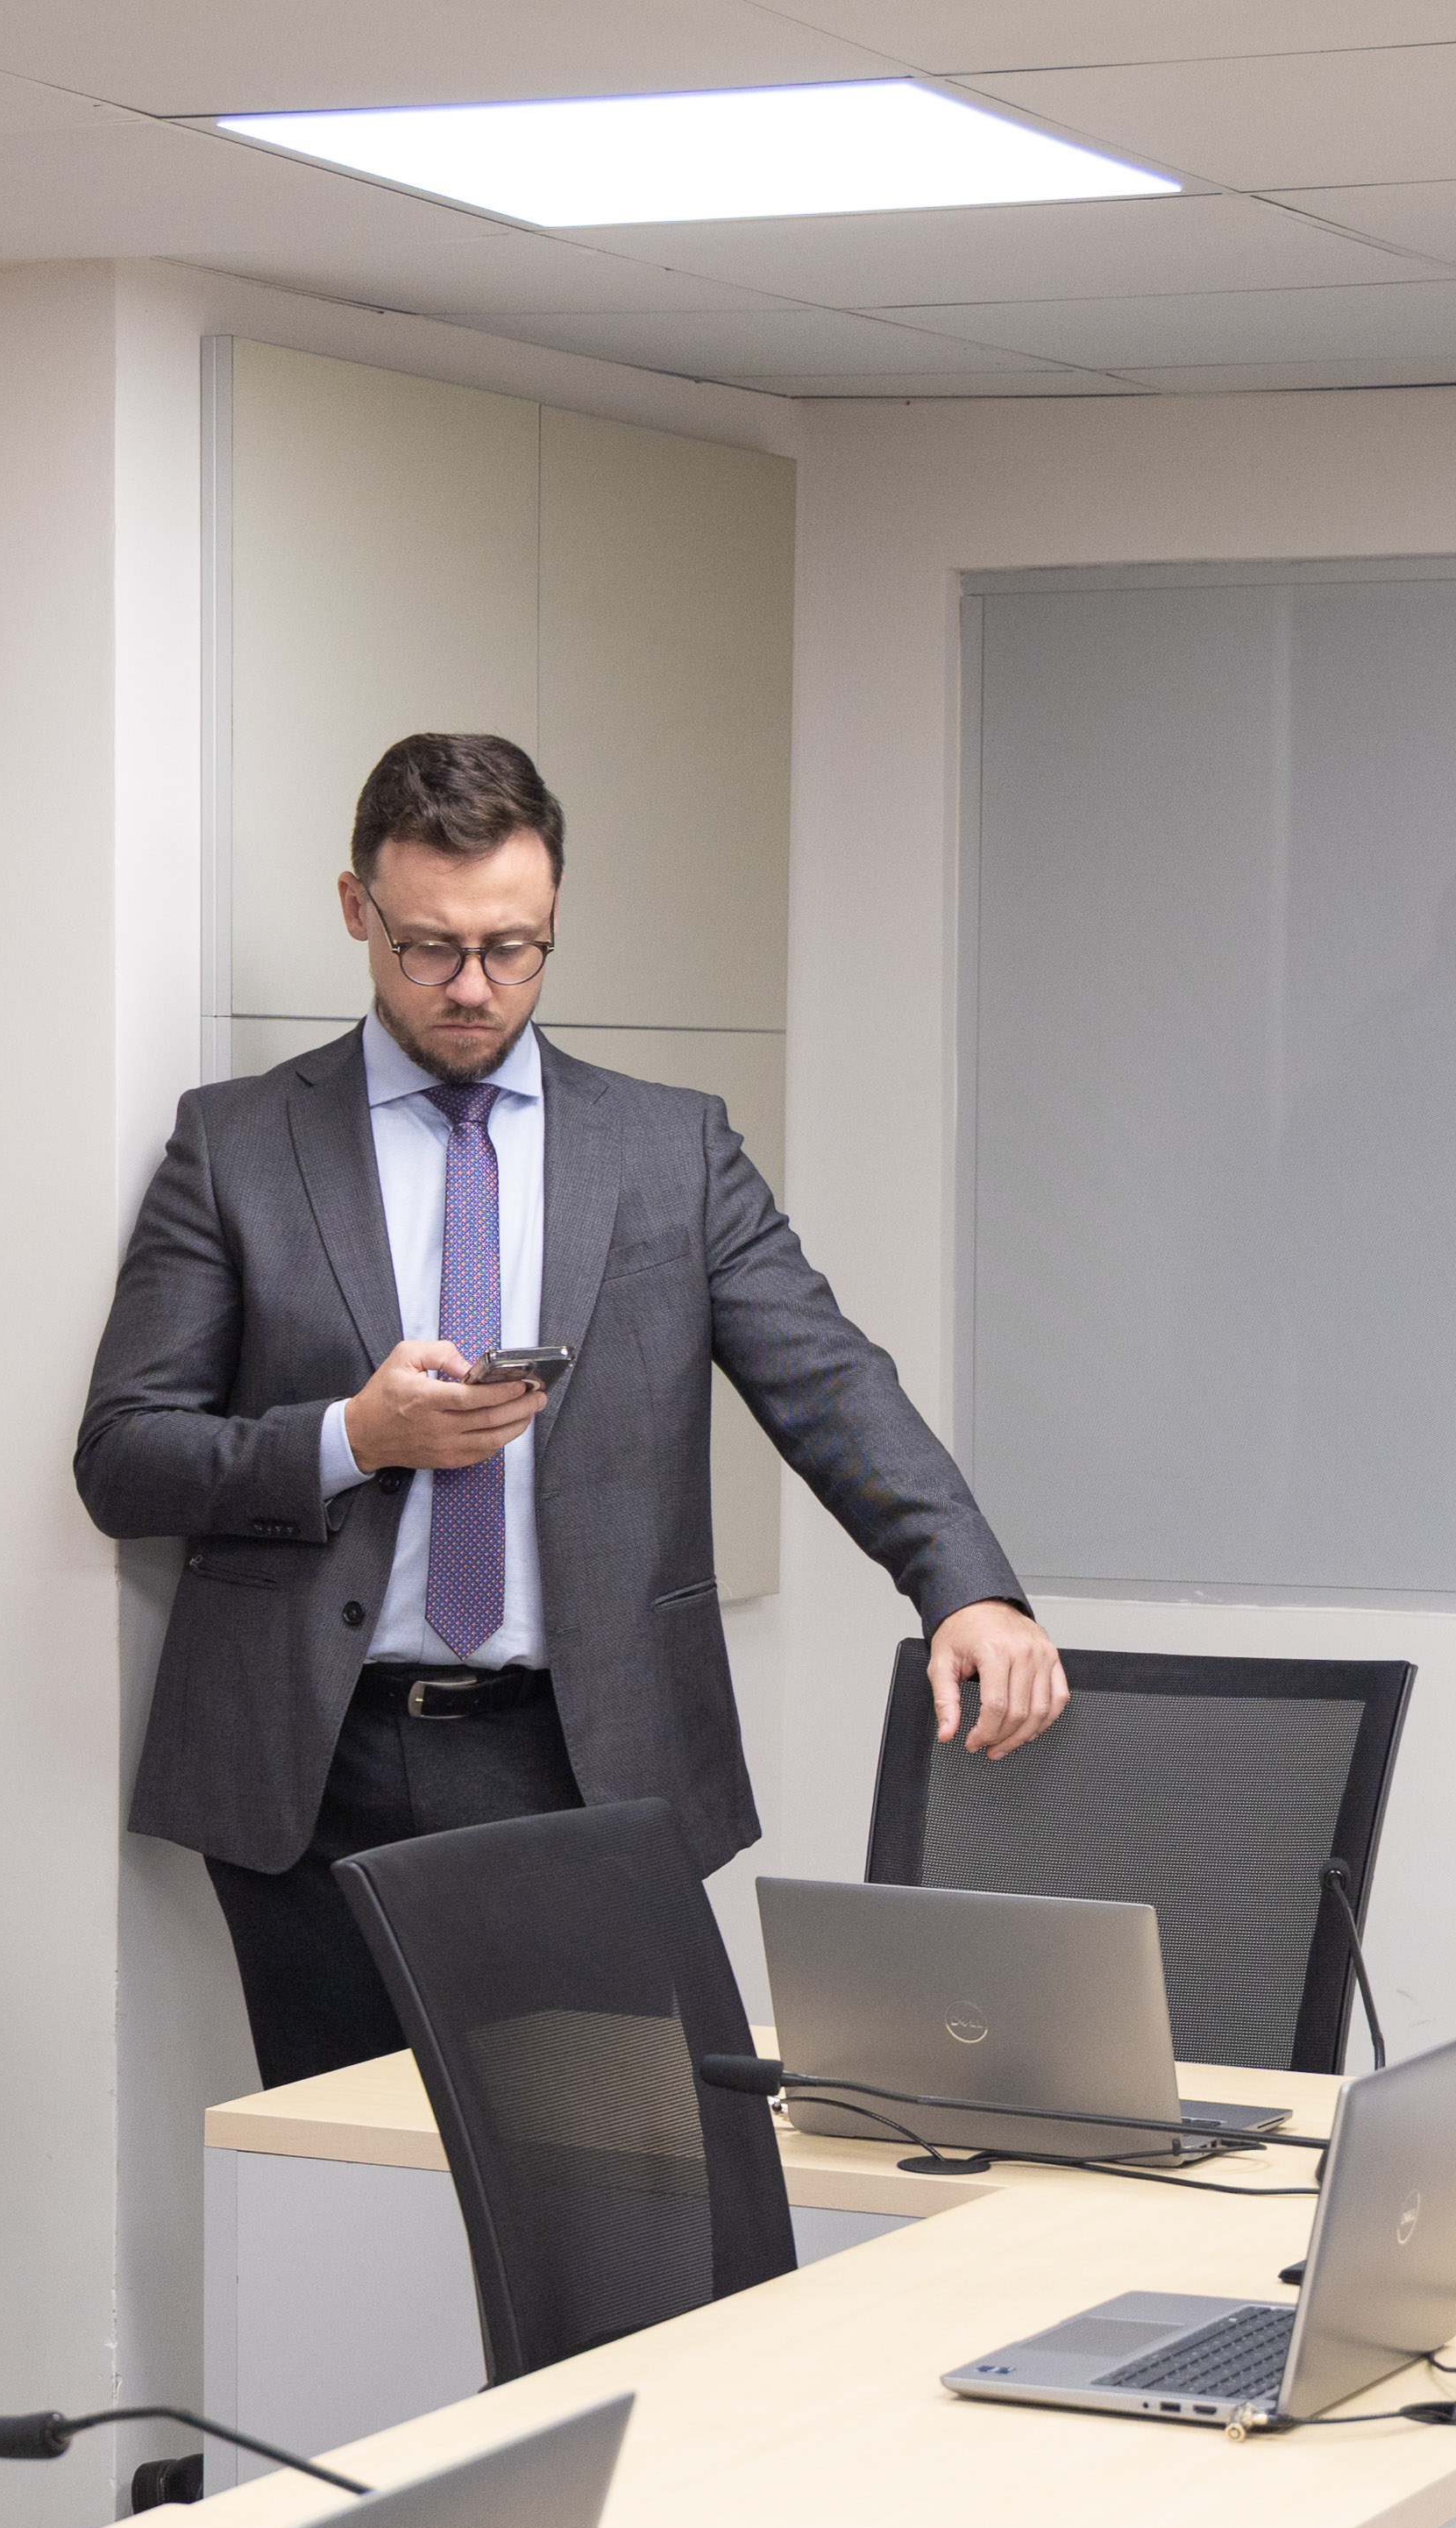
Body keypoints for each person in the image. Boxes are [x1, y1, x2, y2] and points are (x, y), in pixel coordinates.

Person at [80, 731, 1066, 2087]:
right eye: (429, 947)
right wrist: (351, 1438)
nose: (471, 987)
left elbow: (826, 1379)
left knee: (611, 2168)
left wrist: (964, 1586)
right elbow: (123, 1455)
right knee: (337, 2176)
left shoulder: (670, 1146)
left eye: (513, 947)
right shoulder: (235, 1143)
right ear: (355, 907)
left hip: (583, 1753)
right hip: (311, 1764)